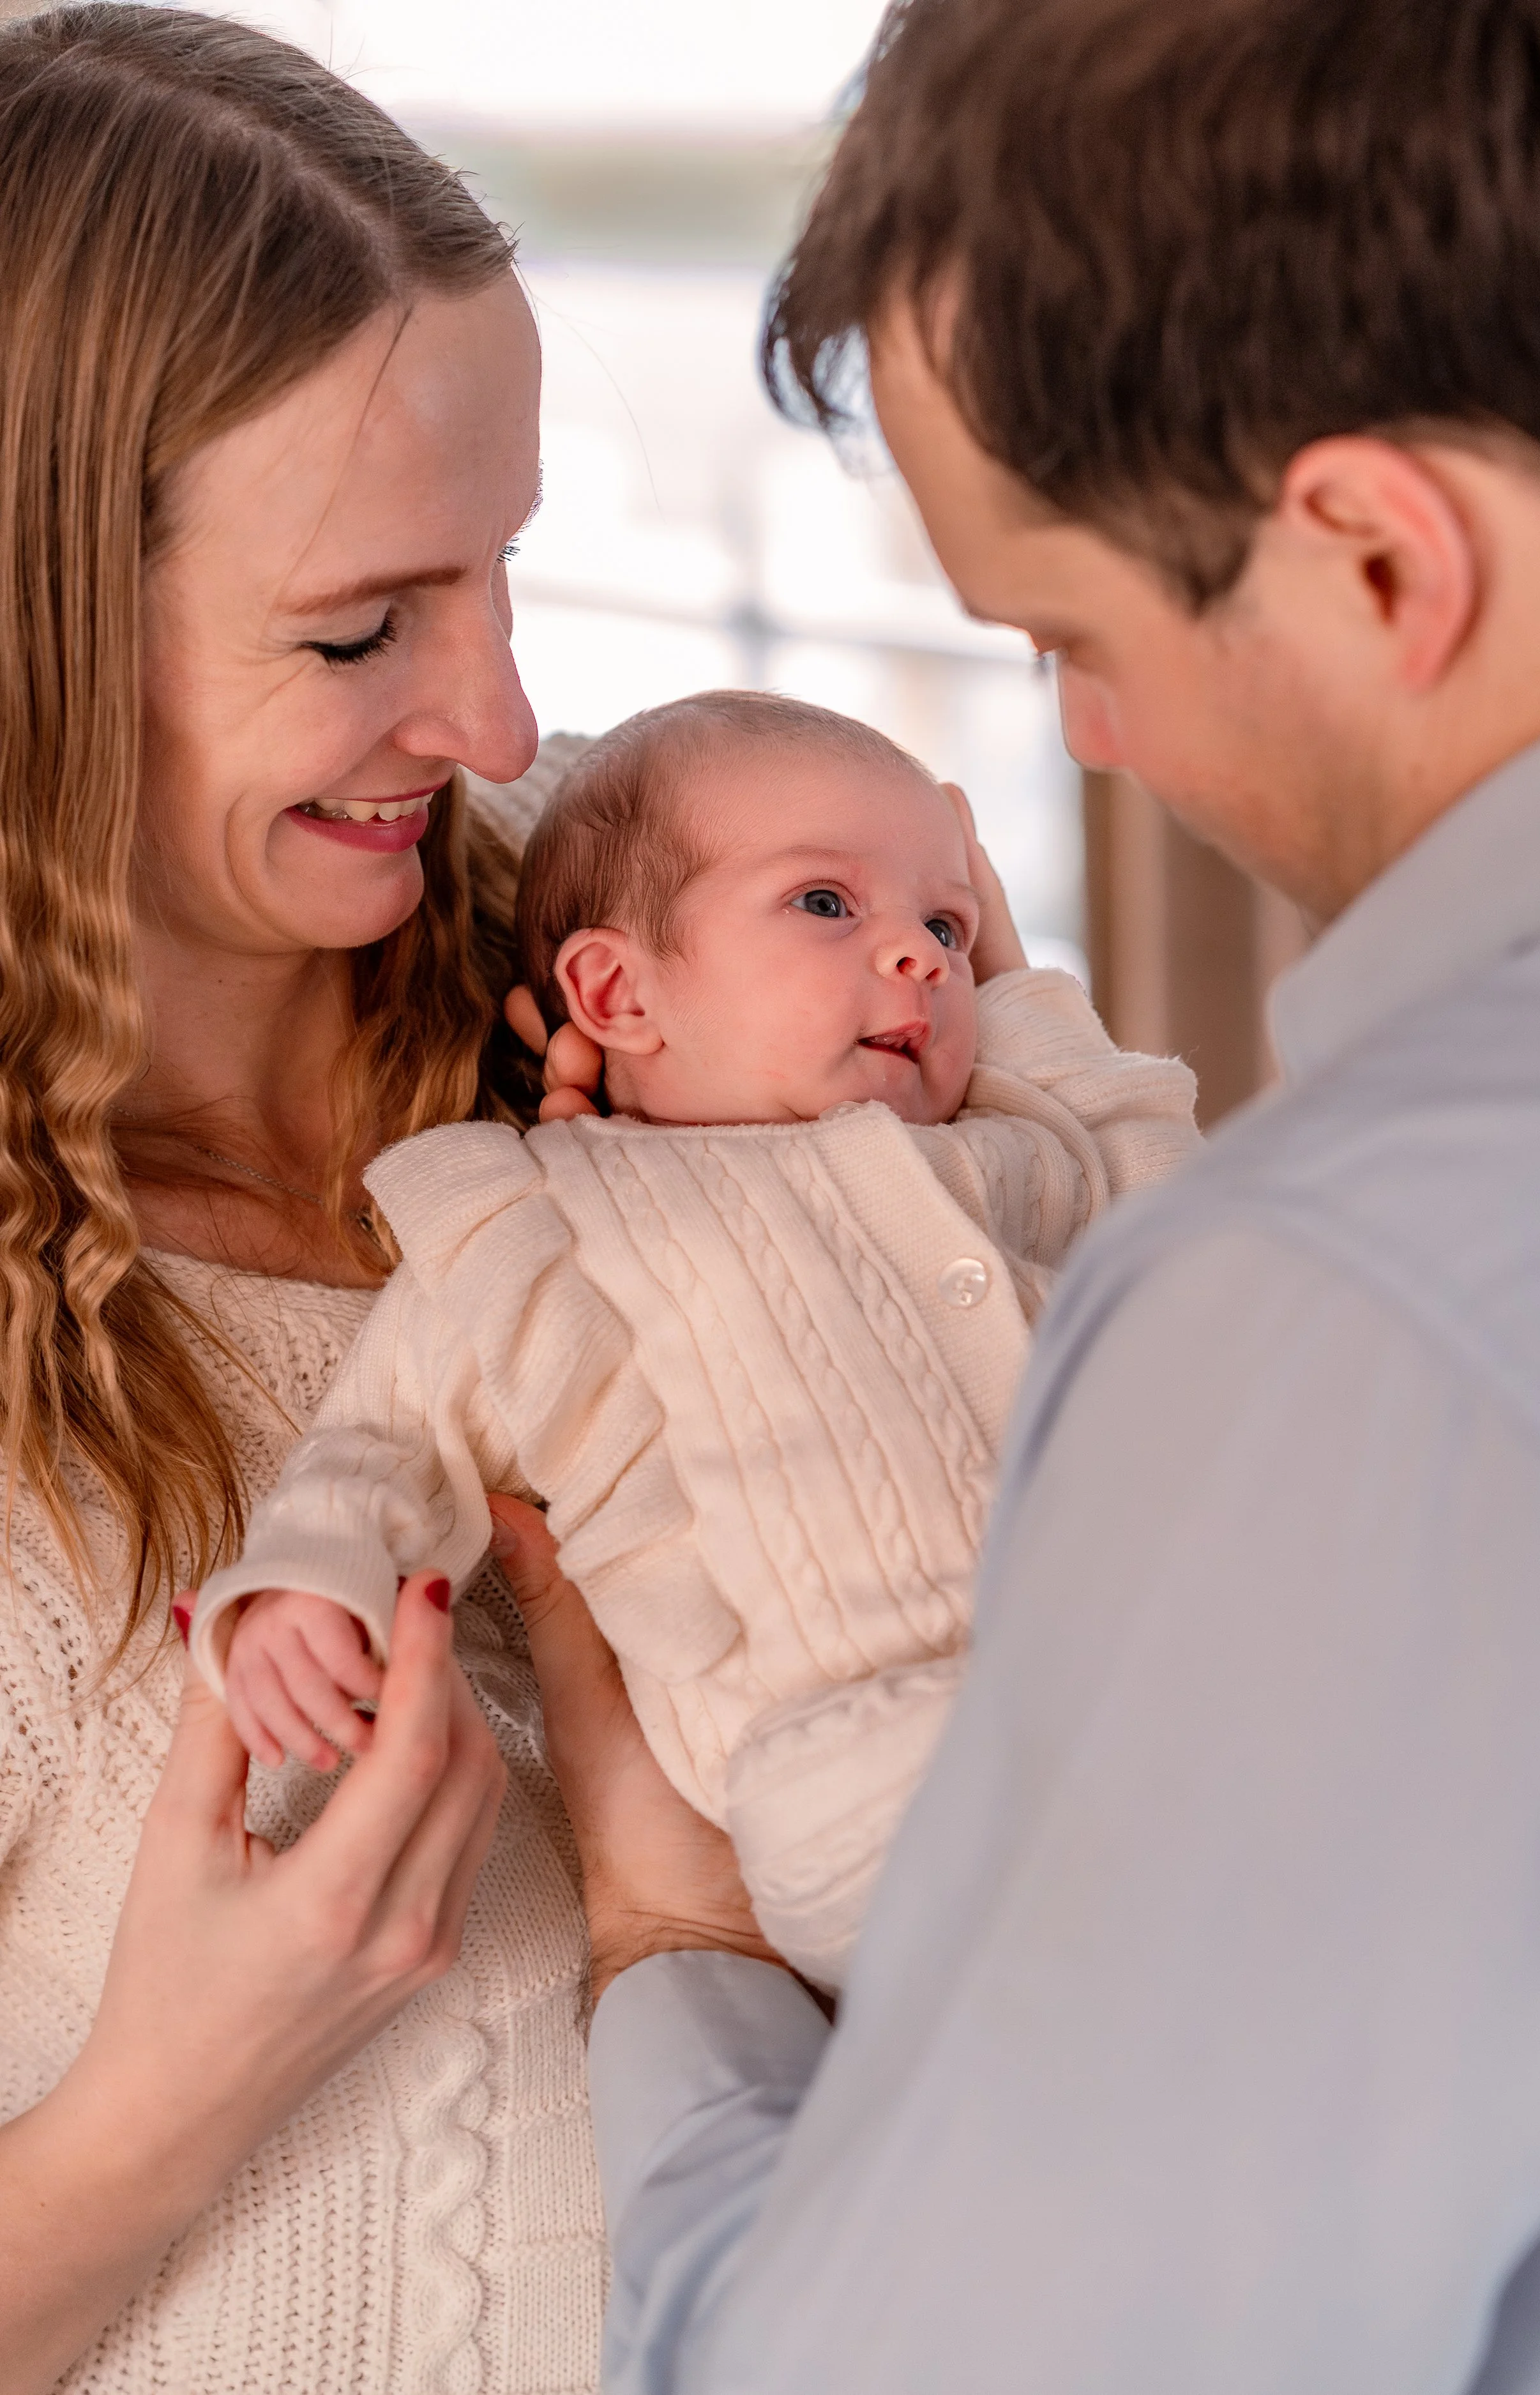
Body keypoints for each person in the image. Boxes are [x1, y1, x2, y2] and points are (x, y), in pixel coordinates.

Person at [482, 0, 1540, 2387]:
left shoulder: (1353, 1306)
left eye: (1073, 646)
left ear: (1381, 561)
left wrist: (667, 1943)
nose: (1078, 754)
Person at [0, 9, 608, 2389]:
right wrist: (173, 2094)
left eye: (505, 573)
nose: (503, 722)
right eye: (362, 630)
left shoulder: (644, 989)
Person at [183, 688, 1197, 1988]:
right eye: (827, 904)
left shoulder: (1011, 1149)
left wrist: (1026, 1003)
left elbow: (1188, 1234)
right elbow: (389, 1432)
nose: (923, 957)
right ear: (616, 987)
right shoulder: (548, 1222)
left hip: (1161, 1669)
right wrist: (309, 1584)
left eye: (944, 925)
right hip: (843, 1755)